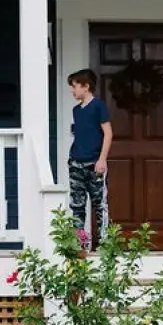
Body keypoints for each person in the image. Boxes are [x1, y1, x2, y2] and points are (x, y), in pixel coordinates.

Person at [67, 69, 113, 248]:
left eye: (75, 86)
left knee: (100, 205)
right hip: (76, 163)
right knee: (77, 207)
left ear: (86, 87)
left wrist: (102, 160)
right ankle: (80, 246)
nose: (72, 91)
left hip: (94, 163)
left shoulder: (98, 106)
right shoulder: (76, 110)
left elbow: (108, 133)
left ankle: (104, 246)